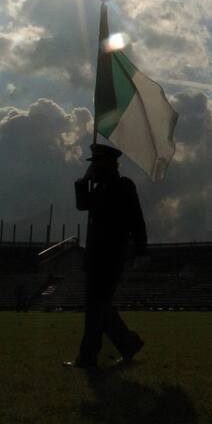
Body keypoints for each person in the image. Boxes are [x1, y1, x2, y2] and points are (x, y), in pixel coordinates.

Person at [65, 144, 149, 371]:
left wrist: (141, 250)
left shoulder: (123, 186)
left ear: (108, 163)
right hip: (95, 256)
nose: (92, 167)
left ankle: (88, 357)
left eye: (96, 162)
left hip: (112, 255)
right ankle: (128, 344)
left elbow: (136, 219)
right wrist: (84, 180)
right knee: (99, 306)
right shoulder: (99, 187)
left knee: (96, 307)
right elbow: (82, 205)